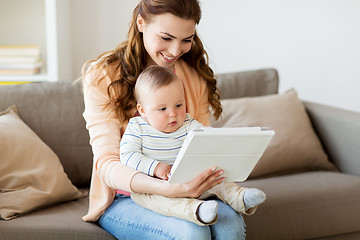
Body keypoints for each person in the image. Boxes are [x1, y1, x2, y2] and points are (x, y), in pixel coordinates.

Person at [81, 0, 251, 239]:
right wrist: (167, 188)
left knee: (228, 223)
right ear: (141, 23)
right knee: (190, 232)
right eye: (166, 38)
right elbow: (107, 162)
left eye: (186, 40)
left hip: (186, 192)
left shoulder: (193, 77)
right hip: (124, 198)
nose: (175, 51)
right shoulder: (103, 77)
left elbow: (201, 145)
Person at [120, 65, 266, 226]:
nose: (173, 114)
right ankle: (197, 210)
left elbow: (209, 139)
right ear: (143, 110)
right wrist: (156, 167)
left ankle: (240, 197)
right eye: (162, 109)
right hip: (156, 188)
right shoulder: (137, 127)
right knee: (156, 201)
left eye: (178, 105)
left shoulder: (188, 124)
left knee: (217, 180)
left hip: (190, 181)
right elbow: (127, 155)